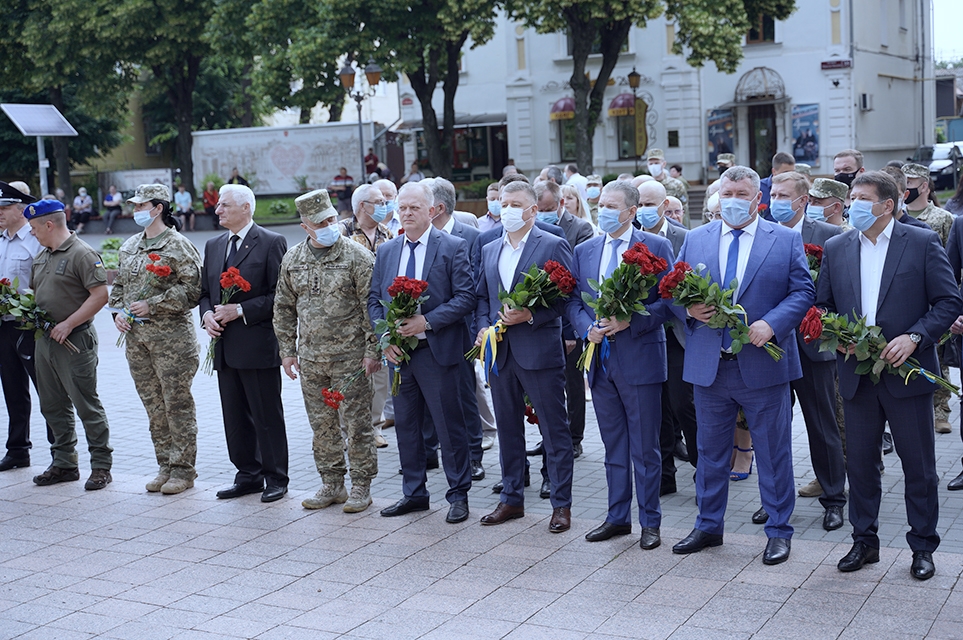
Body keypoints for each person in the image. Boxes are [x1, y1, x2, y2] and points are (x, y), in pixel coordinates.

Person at [816, 171, 960, 581]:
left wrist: (916, 337)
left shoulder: (921, 242)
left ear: (887, 205)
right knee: (860, 464)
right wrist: (837, 336)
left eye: (862, 198)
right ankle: (864, 541)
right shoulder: (837, 246)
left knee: (919, 466)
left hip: (907, 375)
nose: (853, 205)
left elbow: (949, 301)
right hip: (857, 376)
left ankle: (923, 545)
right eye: (852, 198)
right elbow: (822, 306)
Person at [670, 166, 814, 566]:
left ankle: (779, 532)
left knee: (773, 453)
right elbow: (672, 291)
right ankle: (708, 526)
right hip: (709, 368)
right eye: (726, 192)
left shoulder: (783, 239)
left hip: (762, 367)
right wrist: (688, 308)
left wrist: (773, 323)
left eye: (741, 193)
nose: (732, 199)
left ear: (757, 199)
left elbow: (803, 290)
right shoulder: (697, 239)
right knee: (710, 452)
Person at [567, 180, 675, 549]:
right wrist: (587, 329)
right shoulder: (585, 249)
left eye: (613, 207)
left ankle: (650, 522)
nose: (604, 212)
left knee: (645, 449)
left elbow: (669, 302)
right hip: (600, 362)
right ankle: (617, 518)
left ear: (632, 211)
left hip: (640, 360)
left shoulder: (656, 247)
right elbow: (573, 303)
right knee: (613, 447)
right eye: (601, 205)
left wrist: (633, 320)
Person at [368, 182, 475, 524]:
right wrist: (386, 337)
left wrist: (426, 322)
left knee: (448, 426)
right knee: (407, 426)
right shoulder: (387, 251)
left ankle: (458, 494)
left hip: (438, 351)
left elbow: (465, 297)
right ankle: (414, 493)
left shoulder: (453, 247)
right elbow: (373, 300)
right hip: (400, 355)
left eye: (414, 208)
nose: (407, 214)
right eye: (402, 208)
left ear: (432, 211)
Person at [474, 180, 576, 533]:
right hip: (500, 353)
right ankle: (512, 498)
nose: (508, 210)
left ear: (533, 210)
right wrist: (484, 327)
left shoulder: (552, 244)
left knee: (554, 429)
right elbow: (483, 299)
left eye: (516, 204)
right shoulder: (489, 247)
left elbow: (565, 298)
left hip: (539, 352)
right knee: (508, 428)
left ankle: (561, 504)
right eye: (504, 203)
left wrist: (531, 315)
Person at [275, 189, 381, 513]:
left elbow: (372, 308)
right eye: (321, 221)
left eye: (332, 218)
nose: (329, 225)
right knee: (321, 425)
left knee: (357, 424)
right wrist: (287, 351)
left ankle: (361, 485)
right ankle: (332, 483)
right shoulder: (293, 258)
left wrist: (372, 350)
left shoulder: (357, 257)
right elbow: (283, 307)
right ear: (305, 225)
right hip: (311, 359)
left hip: (350, 358)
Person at [110, 184, 202, 494]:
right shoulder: (131, 246)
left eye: (141, 206)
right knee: (153, 405)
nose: (135, 211)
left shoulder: (178, 245)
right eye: (134, 206)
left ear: (158, 208)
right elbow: (120, 287)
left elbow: (193, 291)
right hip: (137, 340)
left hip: (172, 341)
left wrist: (154, 304)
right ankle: (164, 464)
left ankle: (183, 469)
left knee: (176, 404)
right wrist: (119, 314)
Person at [200, 184, 290, 503]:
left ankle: (276, 477)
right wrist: (207, 315)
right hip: (224, 347)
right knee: (235, 418)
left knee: (266, 417)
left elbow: (281, 295)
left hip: (257, 345)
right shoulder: (213, 245)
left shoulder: (270, 242)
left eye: (224, 205)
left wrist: (240, 309)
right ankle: (247, 475)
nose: (217, 210)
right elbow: (205, 293)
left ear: (246, 208)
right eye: (219, 206)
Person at [769, 171, 846, 530]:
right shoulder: (763, 232)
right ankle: (774, 499)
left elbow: (839, 294)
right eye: (773, 193)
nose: (775, 201)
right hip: (771, 347)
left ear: (803, 200)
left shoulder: (829, 237)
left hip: (814, 347)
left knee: (822, 425)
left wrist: (822, 319)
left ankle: (834, 499)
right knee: (772, 428)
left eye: (783, 195)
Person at [25, 199, 113, 490]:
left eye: (35, 228)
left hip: (74, 340)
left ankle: (101, 465)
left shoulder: (82, 254)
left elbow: (100, 295)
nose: (32, 233)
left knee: (85, 403)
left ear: (49, 224)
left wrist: (69, 323)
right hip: (45, 340)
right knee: (52, 405)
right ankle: (64, 463)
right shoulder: (43, 255)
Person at [424, 178, 487, 481]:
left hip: (462, 329)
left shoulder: (472, 236)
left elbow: (476, 287)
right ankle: (430, 451)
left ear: (435, 208)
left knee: (465, 393)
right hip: (425, 332)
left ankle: (474, 455)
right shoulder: (415, 237)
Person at [636, 180, 697, 490]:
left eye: (650, 204)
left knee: (683, 403)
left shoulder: (684, 237)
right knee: (655, 407)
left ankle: (704, 466)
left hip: (676, 335)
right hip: (643, 332)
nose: (645, 210)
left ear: (664, 205)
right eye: (640, 204)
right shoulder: (631, 240)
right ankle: (664, 475)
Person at [341, 183, 394, 449]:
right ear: (363, 206)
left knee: (380, 375)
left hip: (379, 315)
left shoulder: (387, 233)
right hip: (349, 318)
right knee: (350, 374)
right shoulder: (342, 232)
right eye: (379, 201)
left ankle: (374, 426)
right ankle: (346, 430)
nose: (385, 204)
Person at [0, 181, 46, 472]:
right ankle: (18, 450)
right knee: (13, 391)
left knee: (48, 391)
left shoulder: (36, 239)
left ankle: (62, 452)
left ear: (20, 209)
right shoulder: (1, 240)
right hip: (4, 326)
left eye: (4, 208)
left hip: (31, 325)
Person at [646, 149, 688, 217]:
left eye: (656, 163)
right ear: (647, 166)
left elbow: (683, 207)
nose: (653, 166)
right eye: (651, 164)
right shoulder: (645, 185)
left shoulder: (676, 184)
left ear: (664, 164)